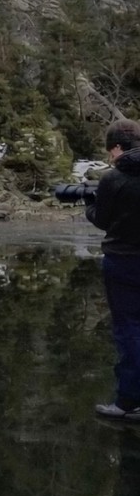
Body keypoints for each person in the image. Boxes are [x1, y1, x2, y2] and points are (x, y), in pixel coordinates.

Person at [89, 118, 140, 418]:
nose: (110, 156)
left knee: (129, 329)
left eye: (111, 151)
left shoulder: (113, 179)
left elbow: (102, 220)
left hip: (123, 261)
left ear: (118, 147)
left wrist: (90, 207)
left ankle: (128, 401)